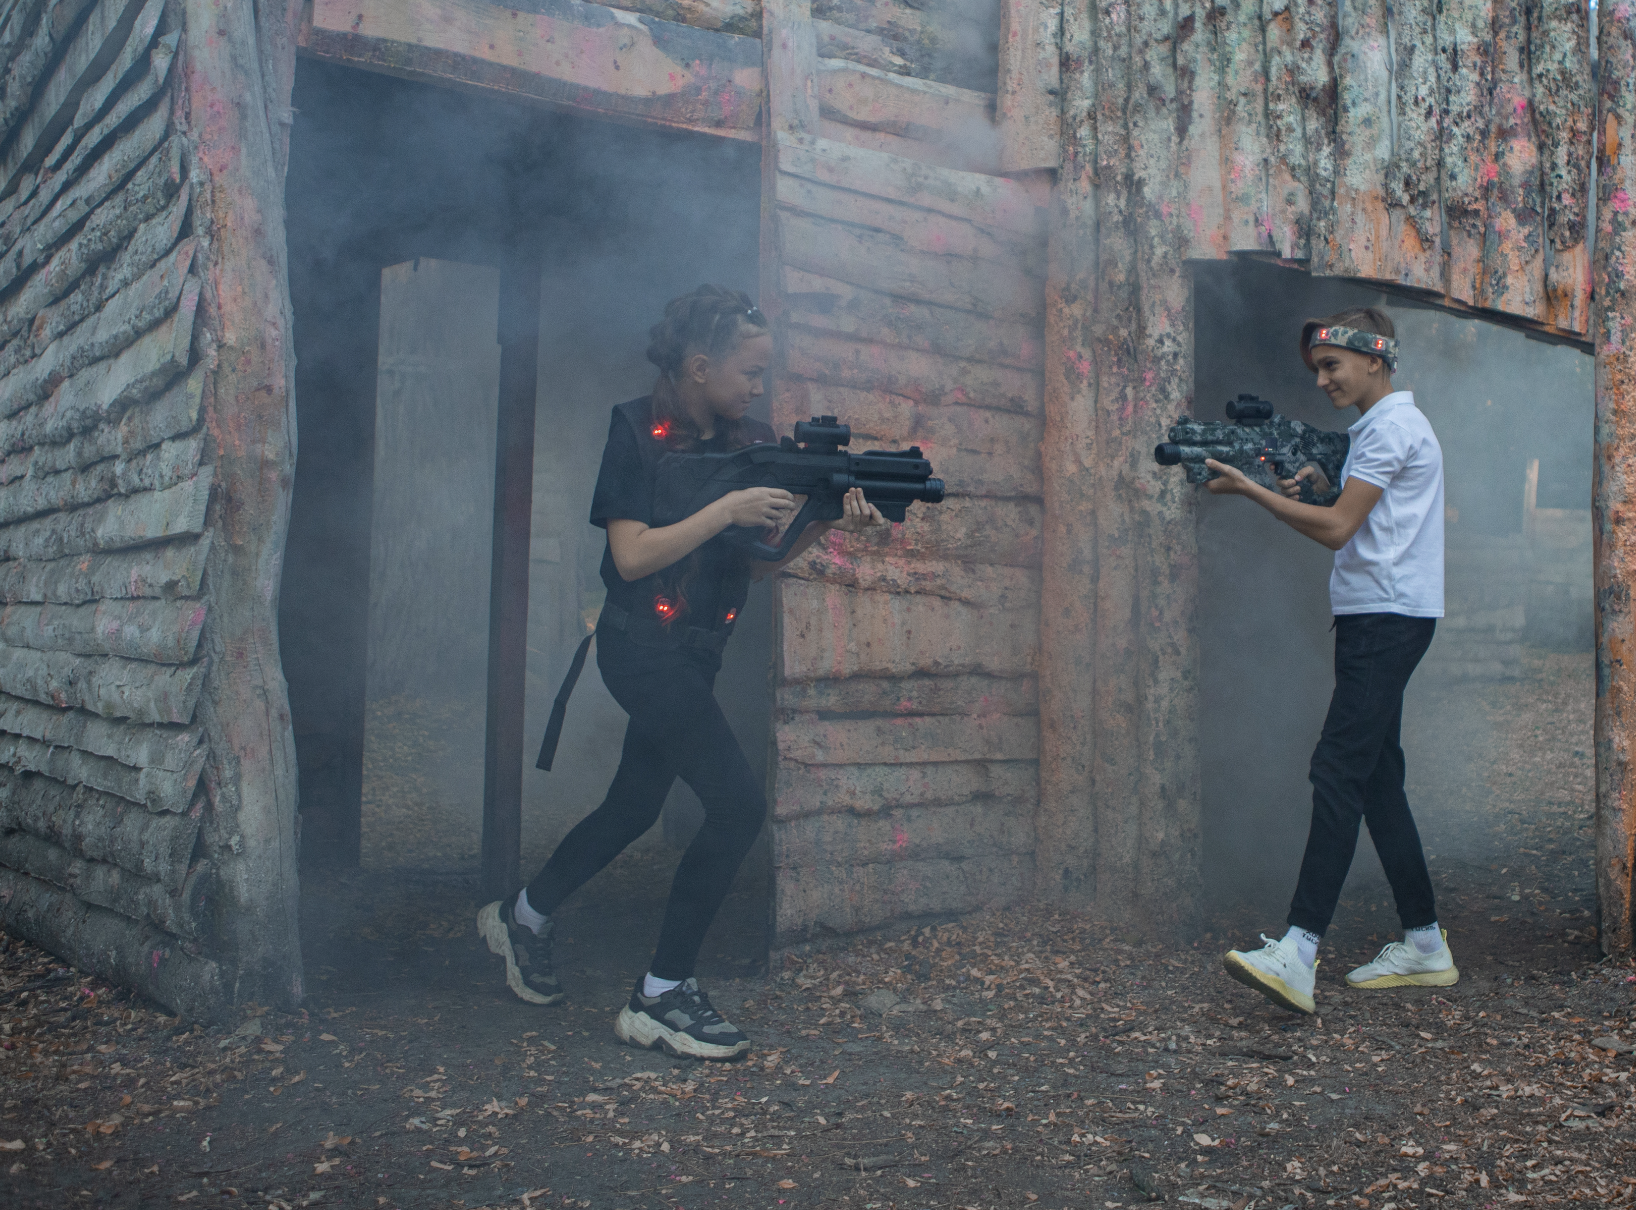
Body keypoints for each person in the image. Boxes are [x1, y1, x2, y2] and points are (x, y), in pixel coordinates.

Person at [476, 285, 883, 1059]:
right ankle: (662, 995)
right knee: (736, 808)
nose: (759, 387)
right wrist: (726, 510)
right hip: (640, 650)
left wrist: (823, 521)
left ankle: (521, 917)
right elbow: (631, 556)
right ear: (700, 366)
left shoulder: (751, 440)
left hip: (694, 654)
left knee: (633, 805)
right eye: (750, 372)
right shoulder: (636, 430)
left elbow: (756, 568)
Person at [1205, 306, 1459, 1016]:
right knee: (1376, 779)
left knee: (1337, 770)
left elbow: (1339, 528)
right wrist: (1319, 484)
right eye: (1318, 369)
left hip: (1386, 618)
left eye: (1331, 365)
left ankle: (1298, 951)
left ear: (1375, 358)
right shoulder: (1379, 430)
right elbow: (1362, 514)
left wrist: (1251, 491)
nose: (1322, 380)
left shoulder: (1394, 429)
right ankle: (1424, 944)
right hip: (1382, 615)